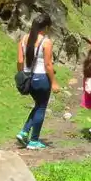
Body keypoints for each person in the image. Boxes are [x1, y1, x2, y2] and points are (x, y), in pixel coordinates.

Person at [16, 13, 60, 150]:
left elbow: (20, 61)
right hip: (42, 79)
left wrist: (22, 74)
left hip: (28, 78)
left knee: (37, 106)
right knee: (41, 107)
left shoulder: (24, 39)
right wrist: (54, 82)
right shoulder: (46, 42)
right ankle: (34, 141)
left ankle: (24, 132)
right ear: (45, 27)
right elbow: (48, 65)